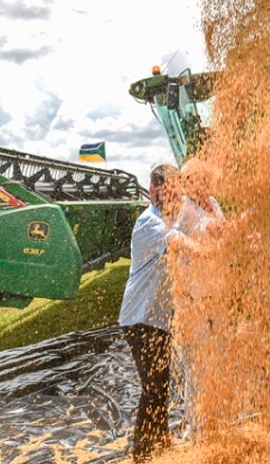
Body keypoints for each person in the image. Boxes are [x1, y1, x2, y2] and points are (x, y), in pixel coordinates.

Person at [119, 163, 193, 463]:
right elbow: (179, 243)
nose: (173, 197)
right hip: (140, 318)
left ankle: (161, 439)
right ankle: (142, 452)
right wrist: (212, 251)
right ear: (153, 190)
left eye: (177, 191)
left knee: (160, 384)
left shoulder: (168, 217)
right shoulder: (148, 223)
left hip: (158, 317)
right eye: (168, 191)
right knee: (153, 386)